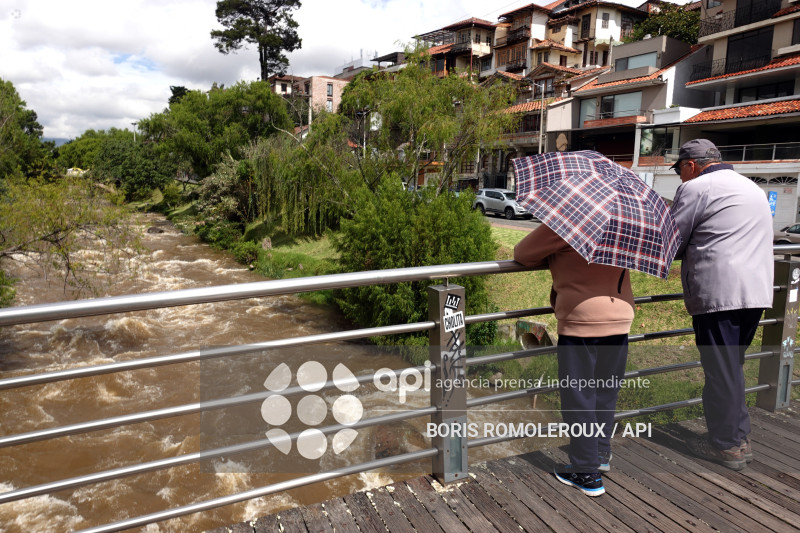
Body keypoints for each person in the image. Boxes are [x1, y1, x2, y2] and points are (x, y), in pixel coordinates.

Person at [670, 139, 774, 470]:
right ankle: (737, 439)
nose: (680, 177)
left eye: (678, 170)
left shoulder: (696, 188)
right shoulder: (751, 188)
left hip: (719, 294)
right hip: (755, 292)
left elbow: (672, 242)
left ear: (690, 165)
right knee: (731, 367)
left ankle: (727, 445)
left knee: (721, 371)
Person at [514, 224, 634, 496]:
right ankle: (600, 453)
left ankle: (586, 471)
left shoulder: (569, 220)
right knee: (606, 390)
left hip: (582, 318)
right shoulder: (620, 220)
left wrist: (556, 255)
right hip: (620, 316)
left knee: (578, 395)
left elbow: (522, 252)